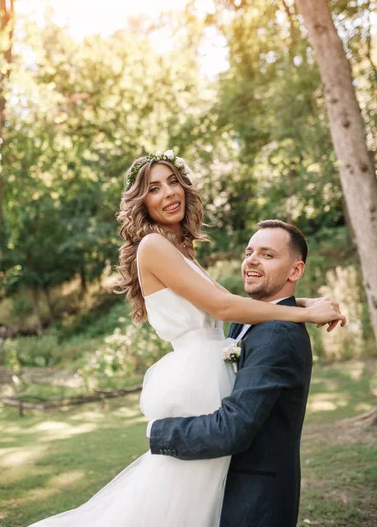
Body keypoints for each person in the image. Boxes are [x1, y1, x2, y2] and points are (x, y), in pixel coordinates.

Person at [28, 151, 345, 527]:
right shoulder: (153, 246)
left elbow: (231, 303)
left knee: (197, 496)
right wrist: (304, 314)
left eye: (173, 181)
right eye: (154, 188)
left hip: (211, 370)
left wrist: (299, 299)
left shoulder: (181, 251)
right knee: (179, 496)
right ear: (141, 202)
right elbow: (224, 307)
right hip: (198, 375)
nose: (168, 193)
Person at [148, 219, 325, 526]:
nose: (252, 260)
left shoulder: (277, 335)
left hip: (255, 500)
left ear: (295, 270)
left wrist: (159, 432)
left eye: (267, 255)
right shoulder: (247, 322)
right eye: (249, 252)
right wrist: (304, 304)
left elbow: (232, 428)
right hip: (226, 488)